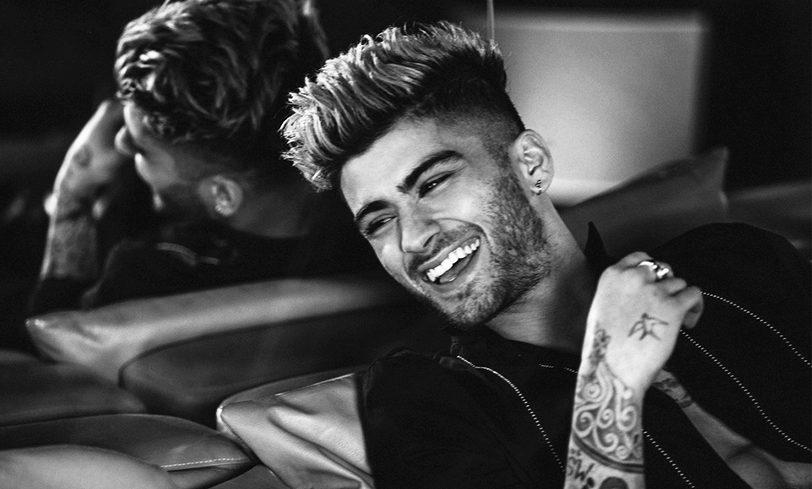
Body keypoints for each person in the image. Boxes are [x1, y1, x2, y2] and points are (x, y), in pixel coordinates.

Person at [282, 22, 811, 488]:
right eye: (379, 221)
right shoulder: (429, 407)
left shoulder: (734, 261)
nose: (412, 239)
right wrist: (611, 375)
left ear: (531, 164)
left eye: (433, 183)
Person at [30, 0, 376, 317]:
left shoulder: (149, 277)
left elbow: (56, 338)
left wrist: (72, 194)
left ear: (223, 195)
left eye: (141, 149)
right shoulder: (375, 230)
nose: (121, 143)